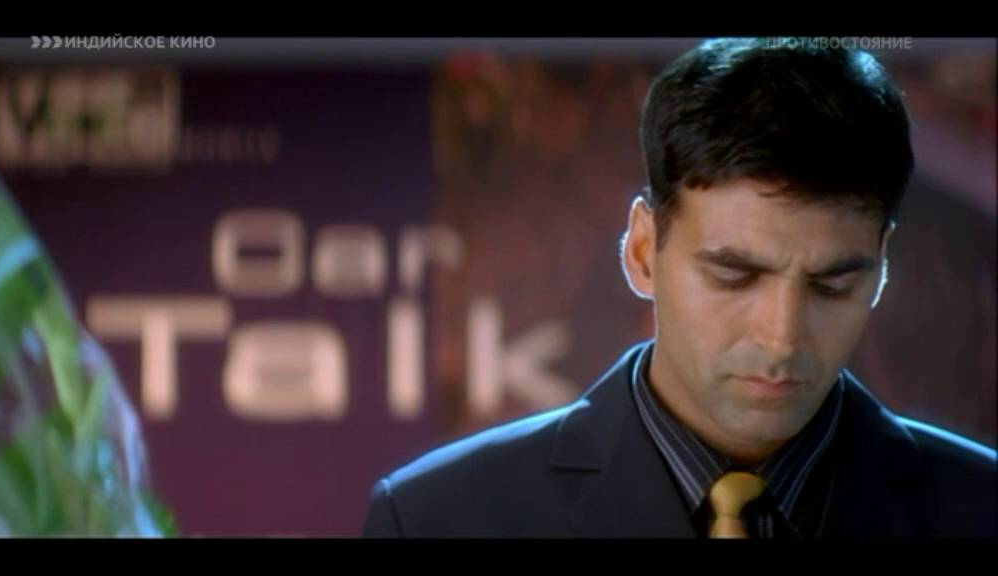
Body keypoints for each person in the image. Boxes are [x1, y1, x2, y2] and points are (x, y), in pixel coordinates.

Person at [362, 38, 997, 538]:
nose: (781, 337)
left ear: (881, 267)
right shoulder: (435, 519)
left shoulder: (982, 509)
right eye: (734, 276)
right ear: (642, 251)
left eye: (833, 285)